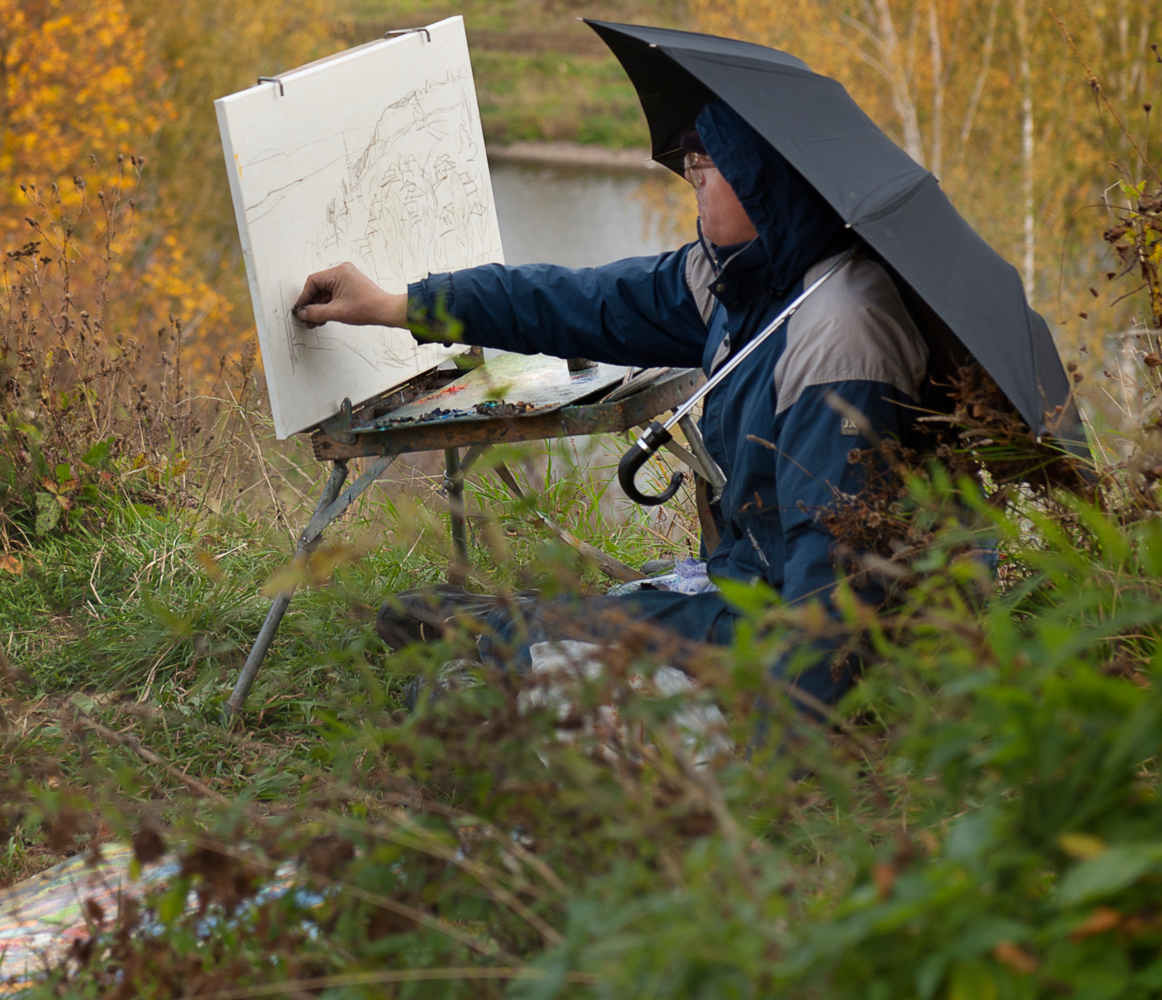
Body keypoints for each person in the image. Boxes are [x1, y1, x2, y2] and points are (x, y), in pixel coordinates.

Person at [292, 99, 929, 711]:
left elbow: (832, 602)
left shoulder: (839, 340)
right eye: (692, 162)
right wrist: (396, 305)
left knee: (462, 696)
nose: (692, 177)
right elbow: (573, 301)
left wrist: (777, 775)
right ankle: (516, 638)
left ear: (767, 183)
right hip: (742, 579)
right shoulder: (743, 280)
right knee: (430, 621)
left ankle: (510, 653)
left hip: (771, 624)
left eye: (707, 163)